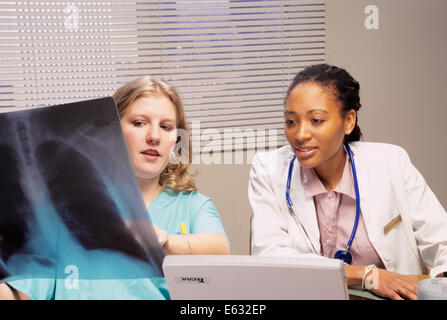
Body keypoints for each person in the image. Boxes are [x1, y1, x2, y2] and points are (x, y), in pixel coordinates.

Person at [0, 76, 229, 299]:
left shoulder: (192, 206)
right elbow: (25, 289)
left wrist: (168, 242)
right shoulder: (67, 204)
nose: (154, 136)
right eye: (139, 123)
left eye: (166, 127)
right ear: (111, 129)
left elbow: (221, 251)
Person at [248, 63, 447, 300]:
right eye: (291, 121)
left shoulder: (391, 162)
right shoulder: (269, 169)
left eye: (316, 120)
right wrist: (365, 275)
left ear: (349, 121)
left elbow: (440, 238)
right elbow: (269, 256)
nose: (300, 134)